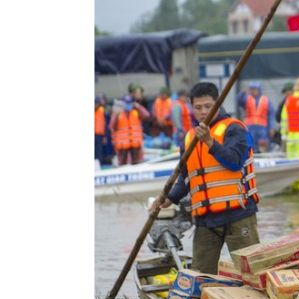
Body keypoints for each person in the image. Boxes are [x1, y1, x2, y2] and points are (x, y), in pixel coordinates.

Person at [152, 82, 261, 274]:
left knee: (250, 272)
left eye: (208, 106)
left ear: (217, 105)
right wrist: (169, 198)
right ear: (191, 108)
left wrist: (210, 142)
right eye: (198, 107)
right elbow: (186, 177)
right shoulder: (189, 139)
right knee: (200, 274)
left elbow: (234, 162)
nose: (203, 112)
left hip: (238, 215)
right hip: (206, 219)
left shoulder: (234, 129)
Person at [109, 95, 150, 165]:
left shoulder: (136, 112)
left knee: (138, 164)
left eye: (130, 103)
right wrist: (115, 114)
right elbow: (111, 126)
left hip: (135, 143)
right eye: (127, 103)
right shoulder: (118, 113)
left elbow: (147, 115)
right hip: (122, 144)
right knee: (122, 165)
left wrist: (138, 106)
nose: (128, 105)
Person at [238, 82, 275, 153]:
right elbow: (239, 101)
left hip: (262, 128)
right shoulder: (247, 99)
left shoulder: (266, 100)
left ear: (259, 89)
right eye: (251, 89)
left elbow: (271, 115)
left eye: (254, 89)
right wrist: (242, 93)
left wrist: (271, 127)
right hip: (250, 127)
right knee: (250, 144)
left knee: (263, 145)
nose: (253, 91)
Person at [95, 95, 107, 163]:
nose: (95, 105)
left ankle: (99, 163)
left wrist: (104, 136)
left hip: (99, 134)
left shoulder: (101, 110)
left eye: (96, 103)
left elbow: (105, 124)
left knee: (99, 151)